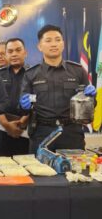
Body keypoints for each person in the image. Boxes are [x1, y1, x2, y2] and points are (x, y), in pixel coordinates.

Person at [20, 24, 96, 153]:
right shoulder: (31, 74)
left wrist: (90, 99)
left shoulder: (77, 71)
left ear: (63, 44)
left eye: (57, 40)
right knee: (40, 172)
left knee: (74, 171)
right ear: (40, 46)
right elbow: (21, 109)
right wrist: (23, 106)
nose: (54, 44)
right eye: (48, 41)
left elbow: (91, 106)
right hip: (41, 133)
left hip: (71, 133)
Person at [0, 38, 29, 155]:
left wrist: (23, 121)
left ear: (25, 53)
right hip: (1, 130)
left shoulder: (34, 74)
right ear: (5, 55)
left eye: (18, 50)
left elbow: (40, 100)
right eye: (10, 51)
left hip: (27, 130)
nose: (14, 54)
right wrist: (6, 124)